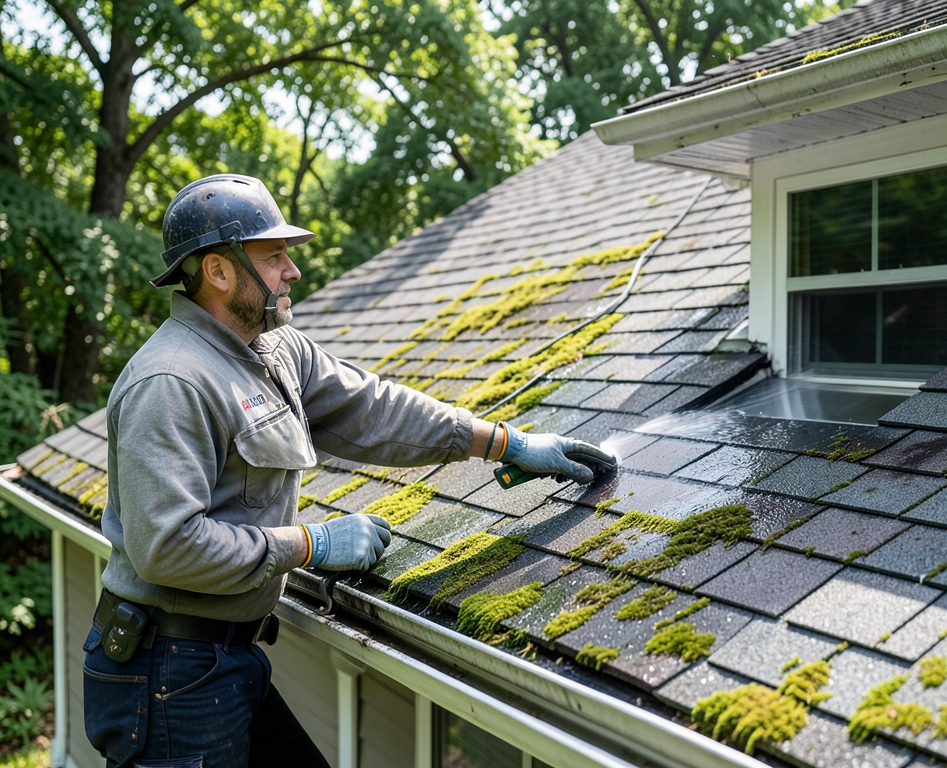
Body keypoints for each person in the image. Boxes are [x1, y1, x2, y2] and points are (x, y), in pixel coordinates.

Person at [83, 174, 615, 768]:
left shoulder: (275, 351)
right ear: (218, 270)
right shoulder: (171, 382)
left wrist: (504, 442)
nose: (294, 271)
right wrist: (311, 543)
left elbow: (374, 408)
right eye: (275, 255)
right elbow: (169, 548)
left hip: (226, 661)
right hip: (169, 677)